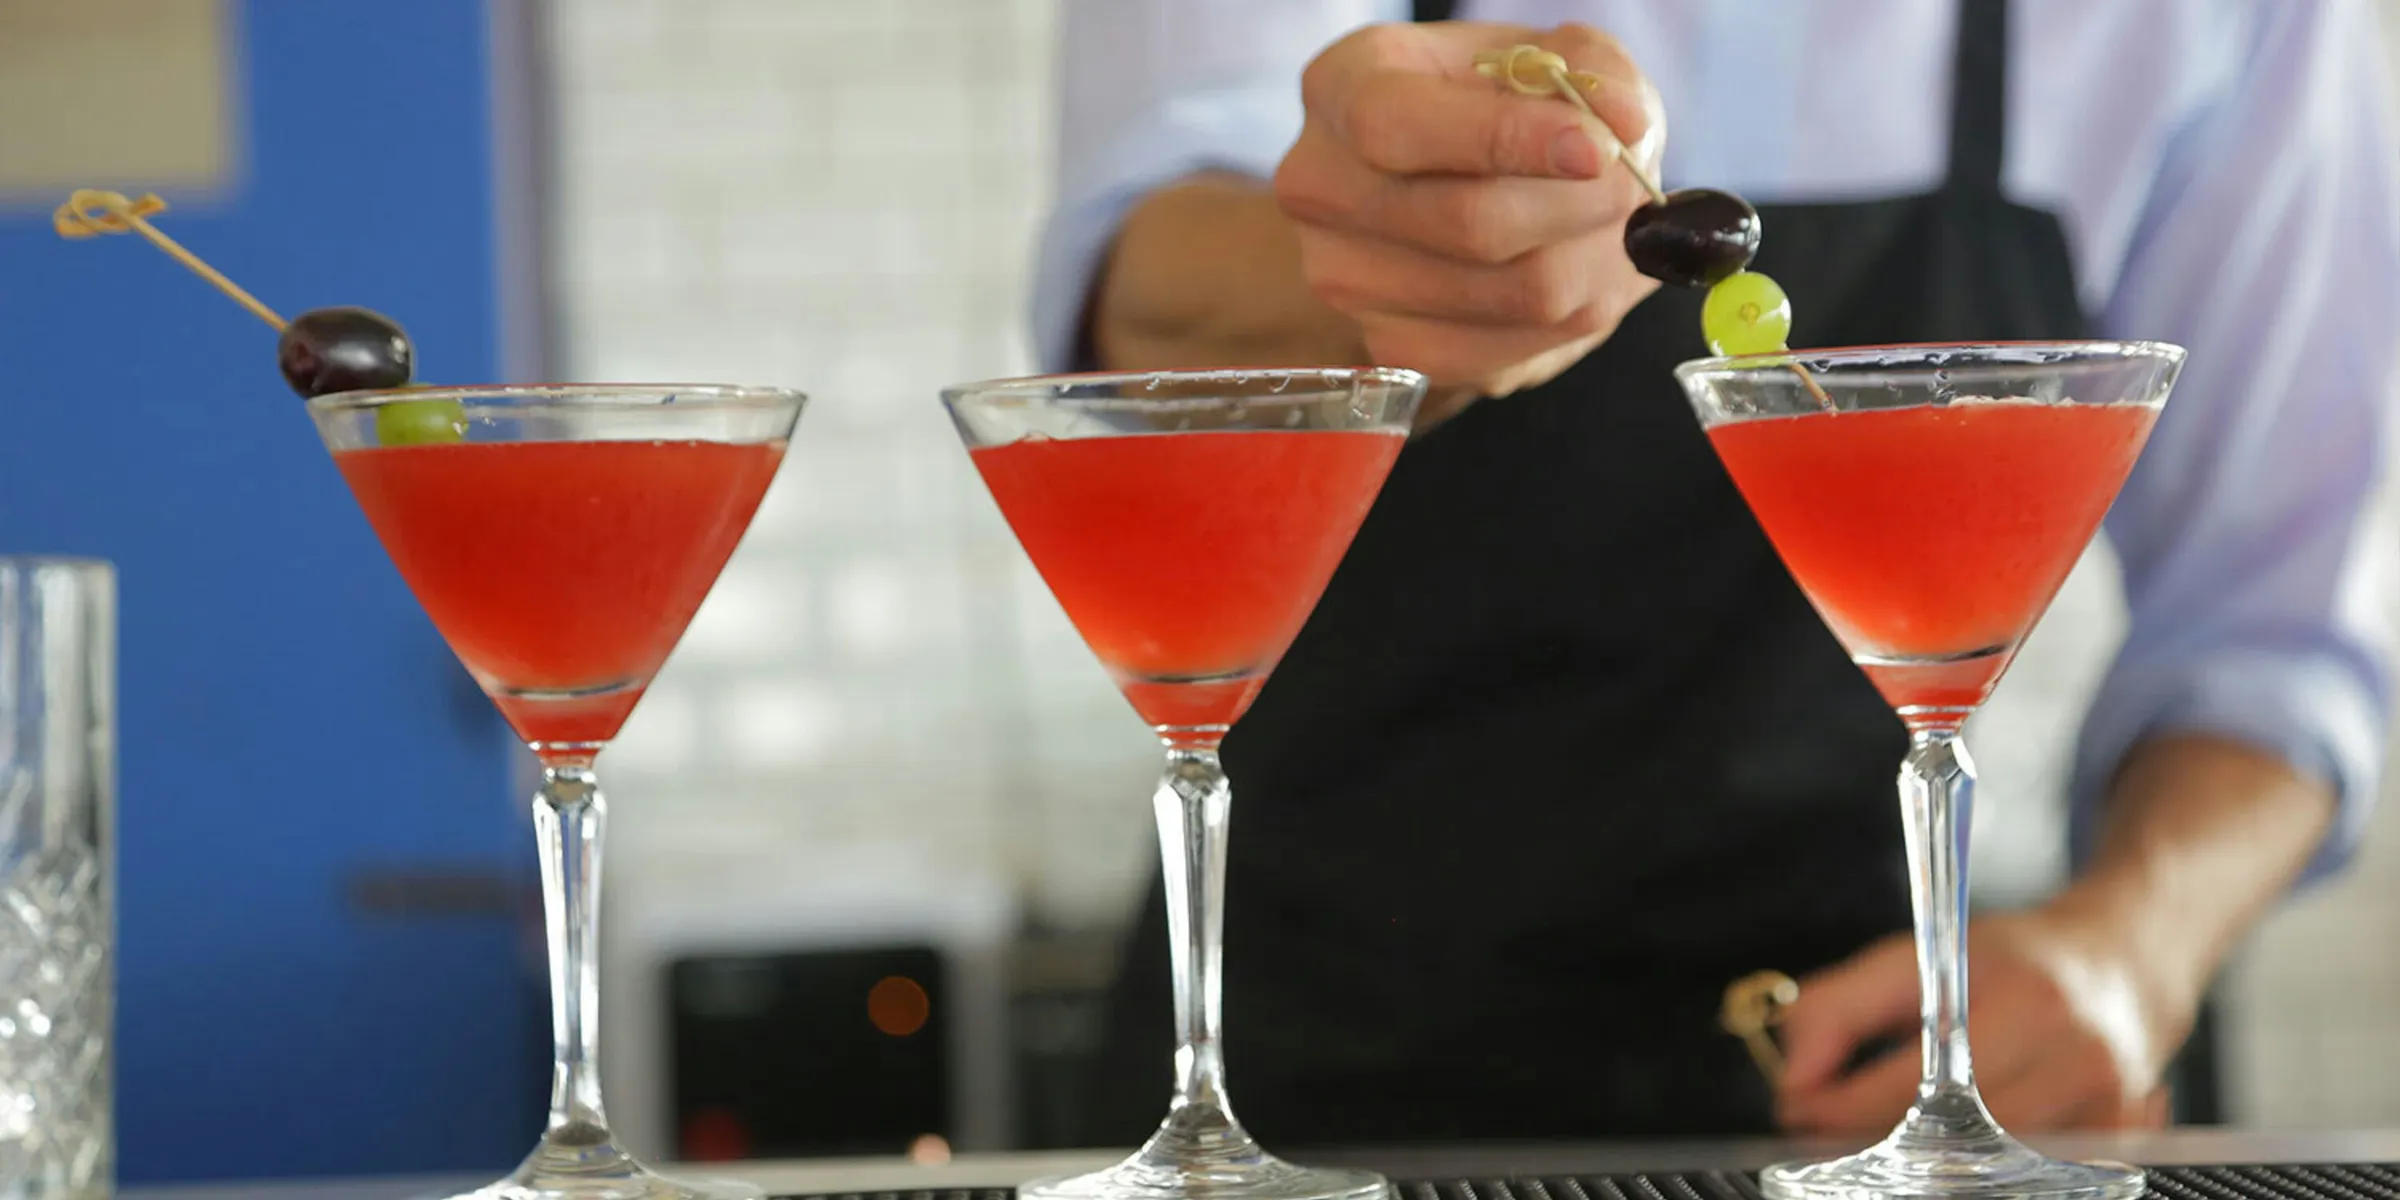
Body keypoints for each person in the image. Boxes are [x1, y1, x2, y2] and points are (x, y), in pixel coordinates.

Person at [1038, 0, 2400, 1144]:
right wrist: (1339, 263)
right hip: (1318, 1082)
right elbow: (1144, 305)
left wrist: (2135, 942)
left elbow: (2276, 630)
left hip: (1854, 1083)